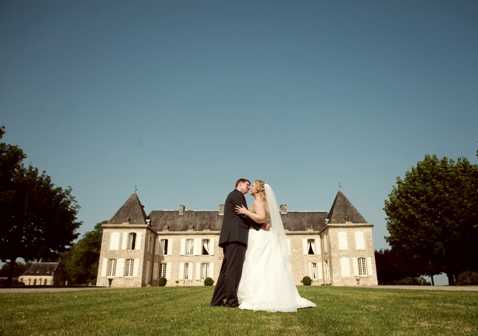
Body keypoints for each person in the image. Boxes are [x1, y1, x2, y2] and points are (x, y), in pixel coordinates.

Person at [235, 180, 316, 312]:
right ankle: (273, 294)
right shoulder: (265, 203)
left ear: (259, 189)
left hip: (260, 236)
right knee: (268, 264)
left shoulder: (258, 202)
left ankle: (258, 295)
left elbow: (261, 218)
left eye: (253, 185)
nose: (250, 187)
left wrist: (246, 212)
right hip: (267, 235)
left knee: (257, 263)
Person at [210, 178, 263, 307]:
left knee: (226, 271)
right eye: (247, 185)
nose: (249, 187)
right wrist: (260, 225)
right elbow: (244, 215)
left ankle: (217, 301)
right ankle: (231, 301)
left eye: (250, 185)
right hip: (236, 237)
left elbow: (243, 214)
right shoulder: (237, 195)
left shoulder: (234, 195)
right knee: (234, 270)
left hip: (231, 238)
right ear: (239, 184)